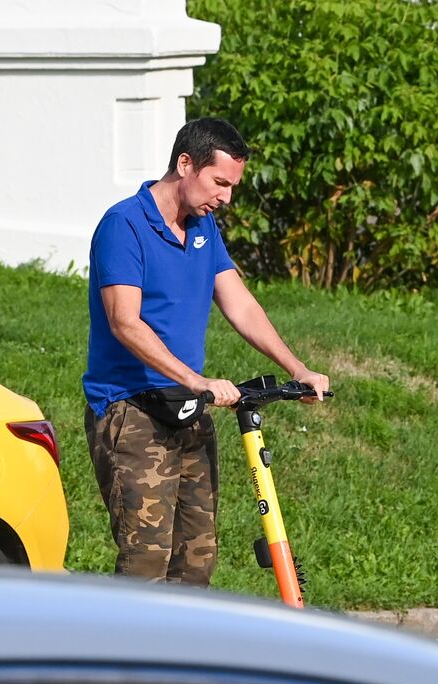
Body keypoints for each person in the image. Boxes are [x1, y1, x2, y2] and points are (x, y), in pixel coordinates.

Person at [83, 116, 331, 589]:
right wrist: (197, 380)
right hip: (131, 409)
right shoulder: (124, 225)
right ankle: (122, 659)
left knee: (197, 559)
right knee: (145, 561)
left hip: (188, 407)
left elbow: (240, 304)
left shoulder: (203, 227)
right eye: (220, 182)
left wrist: (298, 369)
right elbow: (125, 323)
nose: (226, 197)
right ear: (185, 164)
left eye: (232, 186)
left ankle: (177, 660)